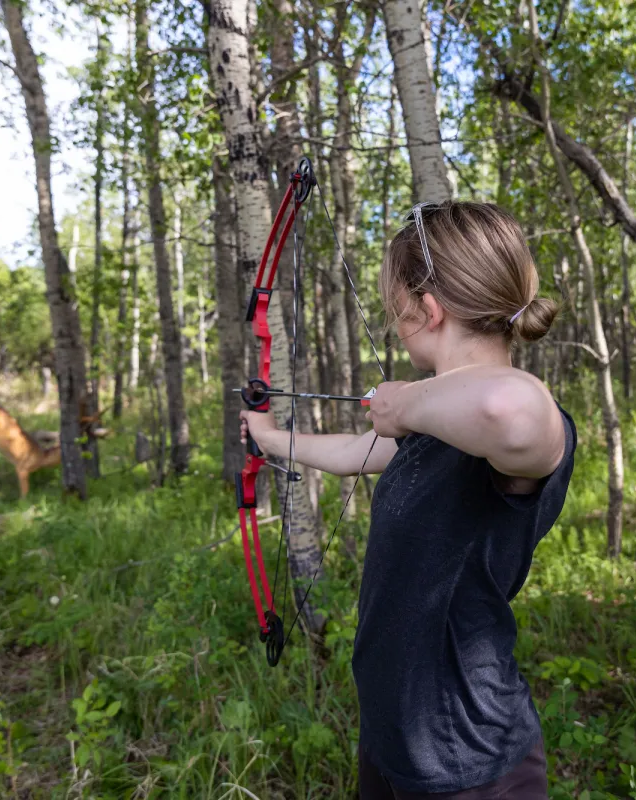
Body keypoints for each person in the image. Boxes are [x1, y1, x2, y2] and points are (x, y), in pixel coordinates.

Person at [241, 201, 577, 798]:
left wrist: (406, 403)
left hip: (469, 755)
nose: (394, 323)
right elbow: (354, 453)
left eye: (396, 310)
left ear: (428, 310)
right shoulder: (440, 427)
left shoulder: (520, 423)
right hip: (397, 733)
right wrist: (271, 439)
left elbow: (511, 409)